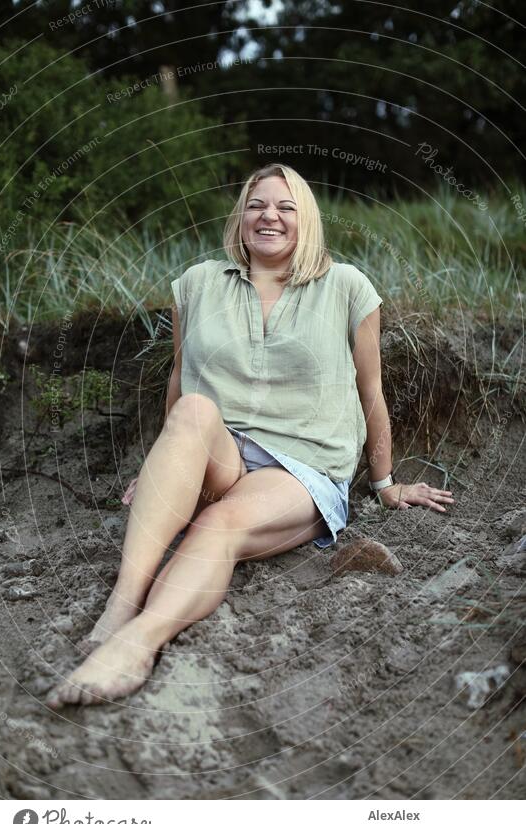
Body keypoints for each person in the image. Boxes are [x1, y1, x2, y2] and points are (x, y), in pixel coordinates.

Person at [46, 163, 454, 708]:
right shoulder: (196, 284)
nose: (270, 216)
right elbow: (178, 379)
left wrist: (383, 482)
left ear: (305, 221)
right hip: (221, 451)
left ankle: (136, 646)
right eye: (258, 204)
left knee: (220, 523)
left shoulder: (347, 286)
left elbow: (371, 392)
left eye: (287, 207)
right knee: (193, 408)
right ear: (240, 218)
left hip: (302, 466)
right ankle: (121, 605)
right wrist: (161, 466)